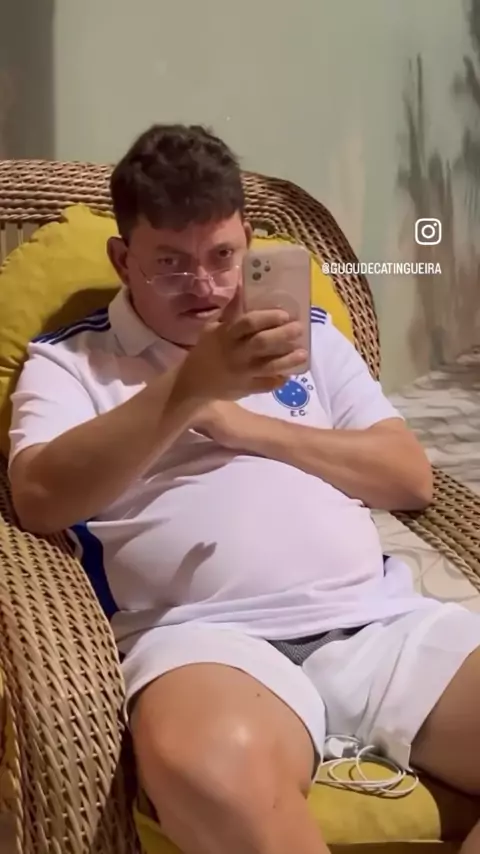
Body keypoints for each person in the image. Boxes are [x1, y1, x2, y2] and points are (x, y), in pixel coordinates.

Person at [7, 124, 480, 854]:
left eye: (222, 256)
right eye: (171, 263)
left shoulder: (304, 336)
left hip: (377, 619)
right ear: (123, 259)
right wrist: (189, 390)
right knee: (213, 774)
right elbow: (39, 497)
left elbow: (406, 476)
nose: (204, 286)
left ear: (248, 242)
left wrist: (246, 427)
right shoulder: (71, 363)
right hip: (203, 640)